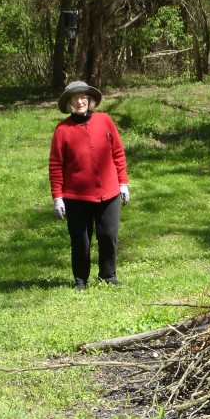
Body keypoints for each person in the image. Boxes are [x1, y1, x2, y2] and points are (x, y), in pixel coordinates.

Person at [49, 81, 129, 291]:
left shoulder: (105, 121)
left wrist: (123, 183)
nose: (81, 101)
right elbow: (56, 165)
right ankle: (80, 280)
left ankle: (108, 275)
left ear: (90, 100)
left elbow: (118, 153)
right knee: (81, 241)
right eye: (76, 98)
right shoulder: (62, 130)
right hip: (76, 196)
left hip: (109, 192)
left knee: (108, 235)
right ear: (70, 103)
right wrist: (57, 196)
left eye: (84, 97)